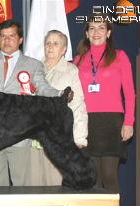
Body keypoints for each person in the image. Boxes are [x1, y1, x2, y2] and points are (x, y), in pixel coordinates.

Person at [0, 20, 69, 187]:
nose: (6, 40)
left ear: (20, 40)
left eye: (11, 36)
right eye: (2, 36)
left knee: (22, 184)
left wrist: (59, 94)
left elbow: (42, 87)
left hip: (19, 135)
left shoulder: (33, 64)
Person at [74, 15, 135, 206]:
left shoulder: (120, 56)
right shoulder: (78, 60)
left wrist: (129, 121)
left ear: (108, 33)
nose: (97, 32)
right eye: (92, 28)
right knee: (93, 175)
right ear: (87, 33)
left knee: (109, 175)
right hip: (86, 121)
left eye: (101, 28)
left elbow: (129, 91)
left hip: (112, 121)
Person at [30, 30, 88, 186]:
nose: (50, 46)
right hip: (31, 139)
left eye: (55, 43)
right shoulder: (33, 68)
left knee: (54, 186)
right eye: (48, 43)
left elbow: (78, 104)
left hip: (57, 139)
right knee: (33, 187)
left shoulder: (70, 71)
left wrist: (79, 137)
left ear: (64, 49)